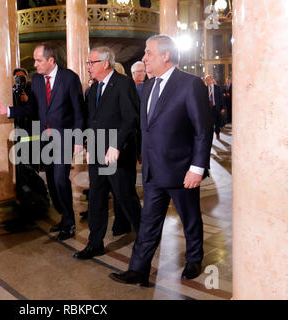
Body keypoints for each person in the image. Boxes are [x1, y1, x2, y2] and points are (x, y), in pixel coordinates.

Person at [109, 35, 212, 286]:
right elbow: (147, 126)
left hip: (181, 169)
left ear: (165, 55)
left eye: (148, 53)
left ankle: (194, 258)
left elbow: (202, 130)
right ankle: (138, 269)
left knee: (190, 218)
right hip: (153, 170)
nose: (144, 58)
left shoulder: (190, 84)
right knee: (148, 222)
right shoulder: (149, 86)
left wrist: (197, 168)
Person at [0, 43, 85, 241]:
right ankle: (63, 214)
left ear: (51, 60)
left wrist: (79, 139)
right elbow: (31, 109)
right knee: (51, 180)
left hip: (65, 137)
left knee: (60, 179)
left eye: (38, 60)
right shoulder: (36, 80)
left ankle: (69, 223)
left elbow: (79, 111)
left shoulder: (70, 78)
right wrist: (8, 111)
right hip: (46, 139)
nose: (35, 64)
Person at [73, 46, 141, 260]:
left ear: (105, 63)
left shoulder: (123, 83)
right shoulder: (93, 89)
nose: (88, 67)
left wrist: (116, 145)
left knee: (125, 197)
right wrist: (86, 144)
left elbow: (130, 119)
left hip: (116, 155)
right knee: (96, 198)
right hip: (97, 153)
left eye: (91, 62)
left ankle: (145, 237)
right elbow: (92, 121)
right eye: (87, 62)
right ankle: (95, 244)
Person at [205, 75, 226, 140]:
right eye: (206, 80)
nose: (208, 81)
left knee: (217, 122)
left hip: (216, 107)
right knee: (209, 123)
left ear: (212, 80)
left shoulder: (217, 88)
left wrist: (222, 108)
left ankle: (217, 133)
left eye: (209, 80)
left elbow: (221, 98)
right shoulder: (204, 88)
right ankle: (210, 136)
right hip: (208, 109)